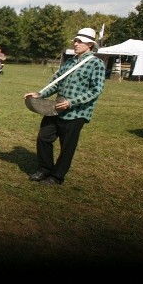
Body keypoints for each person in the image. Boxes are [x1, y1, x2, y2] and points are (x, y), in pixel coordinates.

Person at [24, 27, 105, 186]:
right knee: (44, 137)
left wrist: (72, 102)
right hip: (56, 108)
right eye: (75, 40)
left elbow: (96, 89)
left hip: (77, 112)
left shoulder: (96, 64)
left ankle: (57, 176)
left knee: (67, 146)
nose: (75, 44)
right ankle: (44, 169)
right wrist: (40, 94)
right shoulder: (69, 62)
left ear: (89, 44)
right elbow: (56, 83)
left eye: (79, 41)